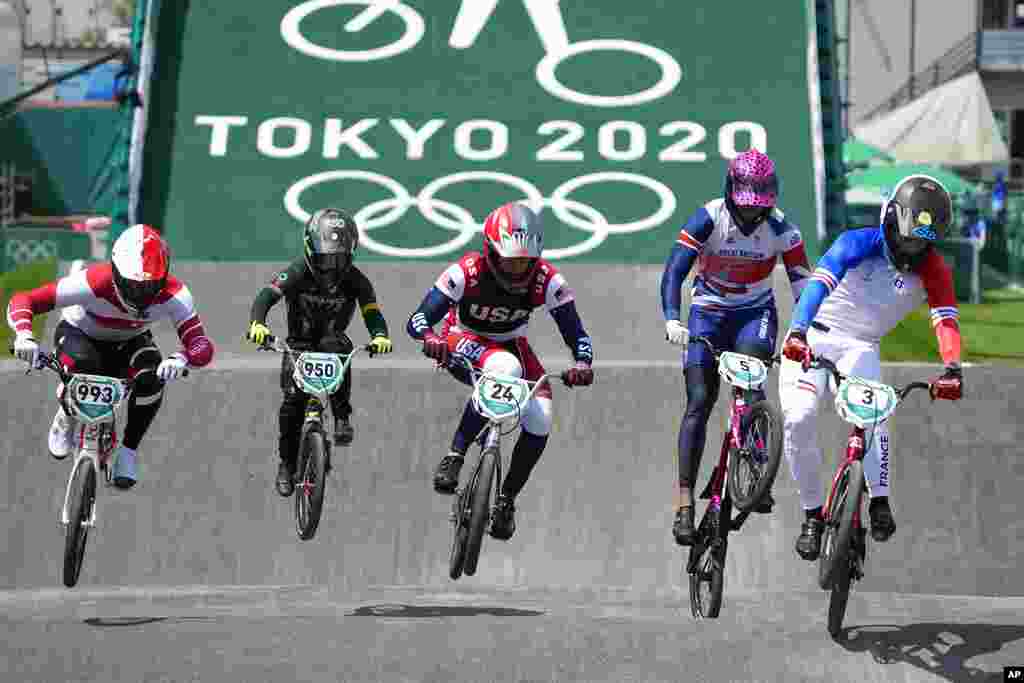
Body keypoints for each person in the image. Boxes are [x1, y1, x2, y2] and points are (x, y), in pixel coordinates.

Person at [779, 174, 964, 561]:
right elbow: (816, 287)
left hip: (860, 347)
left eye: (923, 242)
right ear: (891, 221)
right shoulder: (855, 243)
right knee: (799, 419)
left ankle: (879, 500)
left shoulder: (933, 269)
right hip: (813, 337)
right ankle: (812, 515)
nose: (913, 249)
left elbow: (945, 321)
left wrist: (952, 369)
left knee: (877, 415)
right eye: (909, 237)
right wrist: (796, 332)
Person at [406, 201, 594, 541]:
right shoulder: (465, 271)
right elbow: (417, 319)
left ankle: (506, 500)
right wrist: (430, 338)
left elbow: (577, 334)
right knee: (505, 367)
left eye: (525, 261)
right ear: (491, 250)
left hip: (510, 343)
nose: (517, 269)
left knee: (541, 417)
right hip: (461, 338)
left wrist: (582, 363)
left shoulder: (548, 280)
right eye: (510, 259)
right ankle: (455, 455)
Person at [661, 149, 811, 546]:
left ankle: (757, 464)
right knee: (699, 400)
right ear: (729, 195)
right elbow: (675, 270)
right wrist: (672, 319)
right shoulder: (709, 217)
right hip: (707, 314)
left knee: (752, 383)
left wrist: (807, 332)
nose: (750, 219)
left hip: (753, 315)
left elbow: (802, 285)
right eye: (744, 211)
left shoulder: (783, 230)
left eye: (758, 212)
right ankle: (684, 502)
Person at [6, 224, 215, 488]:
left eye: (149, 287)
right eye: (132, 286)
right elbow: (25, 300)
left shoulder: (177, 295)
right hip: (79, 335)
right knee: (83, 364)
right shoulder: (93, 281)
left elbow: (200, 343)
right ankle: (66, 412)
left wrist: (181, 358)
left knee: (152, 378)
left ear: (163, 278)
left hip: (129, 342)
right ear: (115, 272)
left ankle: (128, 452)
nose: (140, 296)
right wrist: (24, 336)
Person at [245, 208, 394, 497]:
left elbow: (372, 313)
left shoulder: (357, 280)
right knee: (291, 405)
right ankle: (286, 464)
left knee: (340, 347)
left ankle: (342, 417)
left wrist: (380, 336)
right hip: (297, 344)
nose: (331, 267)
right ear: (309, 251)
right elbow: (266, 296)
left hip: (331, 342)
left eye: (338, 259)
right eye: (325, 259)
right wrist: (257, 324)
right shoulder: (297, 271)